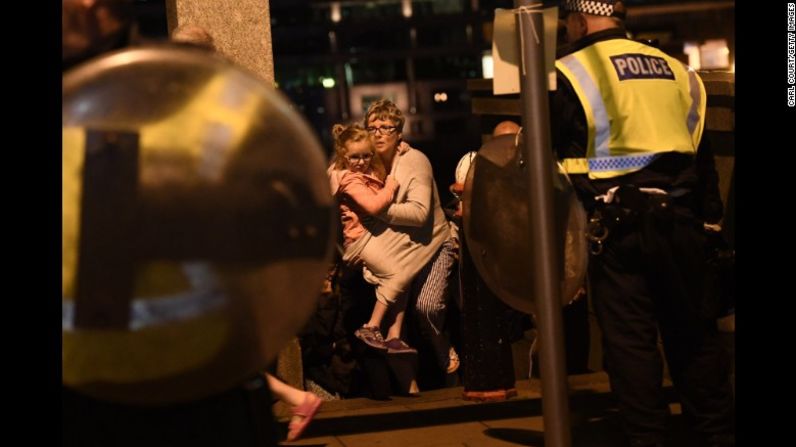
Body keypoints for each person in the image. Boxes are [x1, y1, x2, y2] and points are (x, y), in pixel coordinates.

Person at [550, 1, 734, 446]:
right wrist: (709, 223)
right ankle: (716, 434)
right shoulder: (678, 70)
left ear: (578, 19)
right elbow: (700, 154)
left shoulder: (571, 69)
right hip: (683, 223)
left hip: (616, 231)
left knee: (631, 347)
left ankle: (647, 437)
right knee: (695, 340)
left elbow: (552, 159)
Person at [363, 99, 460, 375]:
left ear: (399, 134)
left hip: (432, 245)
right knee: (392, 323)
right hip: (400, 250)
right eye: (372, 128)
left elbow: (419, 213)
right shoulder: (369, 164)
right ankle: (409, 388)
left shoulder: (414, 160)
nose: (378, 133)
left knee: (426, 307)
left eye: (386, 127)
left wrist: (376, 210)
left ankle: (443, 348)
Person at [328, 123, 416, 352]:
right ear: (343, 155)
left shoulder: (364, 171)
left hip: (375, 237)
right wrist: (390, 187)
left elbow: (382, 169)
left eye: (367, 155)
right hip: (360, 242)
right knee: (399, 274)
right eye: (355, 157)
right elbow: (374, 205)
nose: (362, 161)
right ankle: (371, 326)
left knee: (408, 269)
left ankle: (393, 333)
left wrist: (398, 151)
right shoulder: (348, 179)